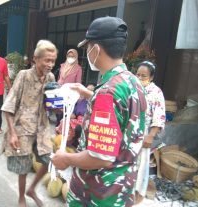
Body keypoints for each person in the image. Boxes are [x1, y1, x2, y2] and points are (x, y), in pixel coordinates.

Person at [51, 16, 147, 207]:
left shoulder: (107, 92)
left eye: (88, 47)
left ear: (96, 49)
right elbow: (121, 113)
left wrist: (66, 159)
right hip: (121, 189)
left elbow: (99, 157)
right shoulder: (132, 81)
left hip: (97, 195)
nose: (87, 51)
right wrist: (87, 93)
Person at [1, 40, 57, 207]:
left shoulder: (51, 77)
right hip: (23, 127)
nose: (50, 64)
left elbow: (52, 107)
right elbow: (9, 105)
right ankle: (21, 198)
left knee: (50, 161)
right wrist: (12, 133)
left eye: (53, 61)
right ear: (36, 59)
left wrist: (59, 104)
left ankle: (31, 189)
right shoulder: (24, 75)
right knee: (23, 167)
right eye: (47, 60)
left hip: (42, 127)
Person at [135, 61, 166, 203]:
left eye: (144, 76)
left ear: (151, 77)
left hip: (144, 135)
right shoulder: (133, 88)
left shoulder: (156, 92)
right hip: (129, 133)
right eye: (138, 74)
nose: (140, 78)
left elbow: (159, 117)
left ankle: (137, 196)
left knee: (140, 167)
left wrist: (151, 136)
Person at [56, 49, 83, 126]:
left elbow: (78, 83)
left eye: (72, 56)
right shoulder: (62, 66)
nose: (70, 58)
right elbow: (59, 79)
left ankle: (62, 132)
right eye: (69, 56)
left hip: (69, 95)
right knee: (57, 113)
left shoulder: (78, 68)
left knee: (65, 114)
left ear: (76, 57)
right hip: (60, 92)